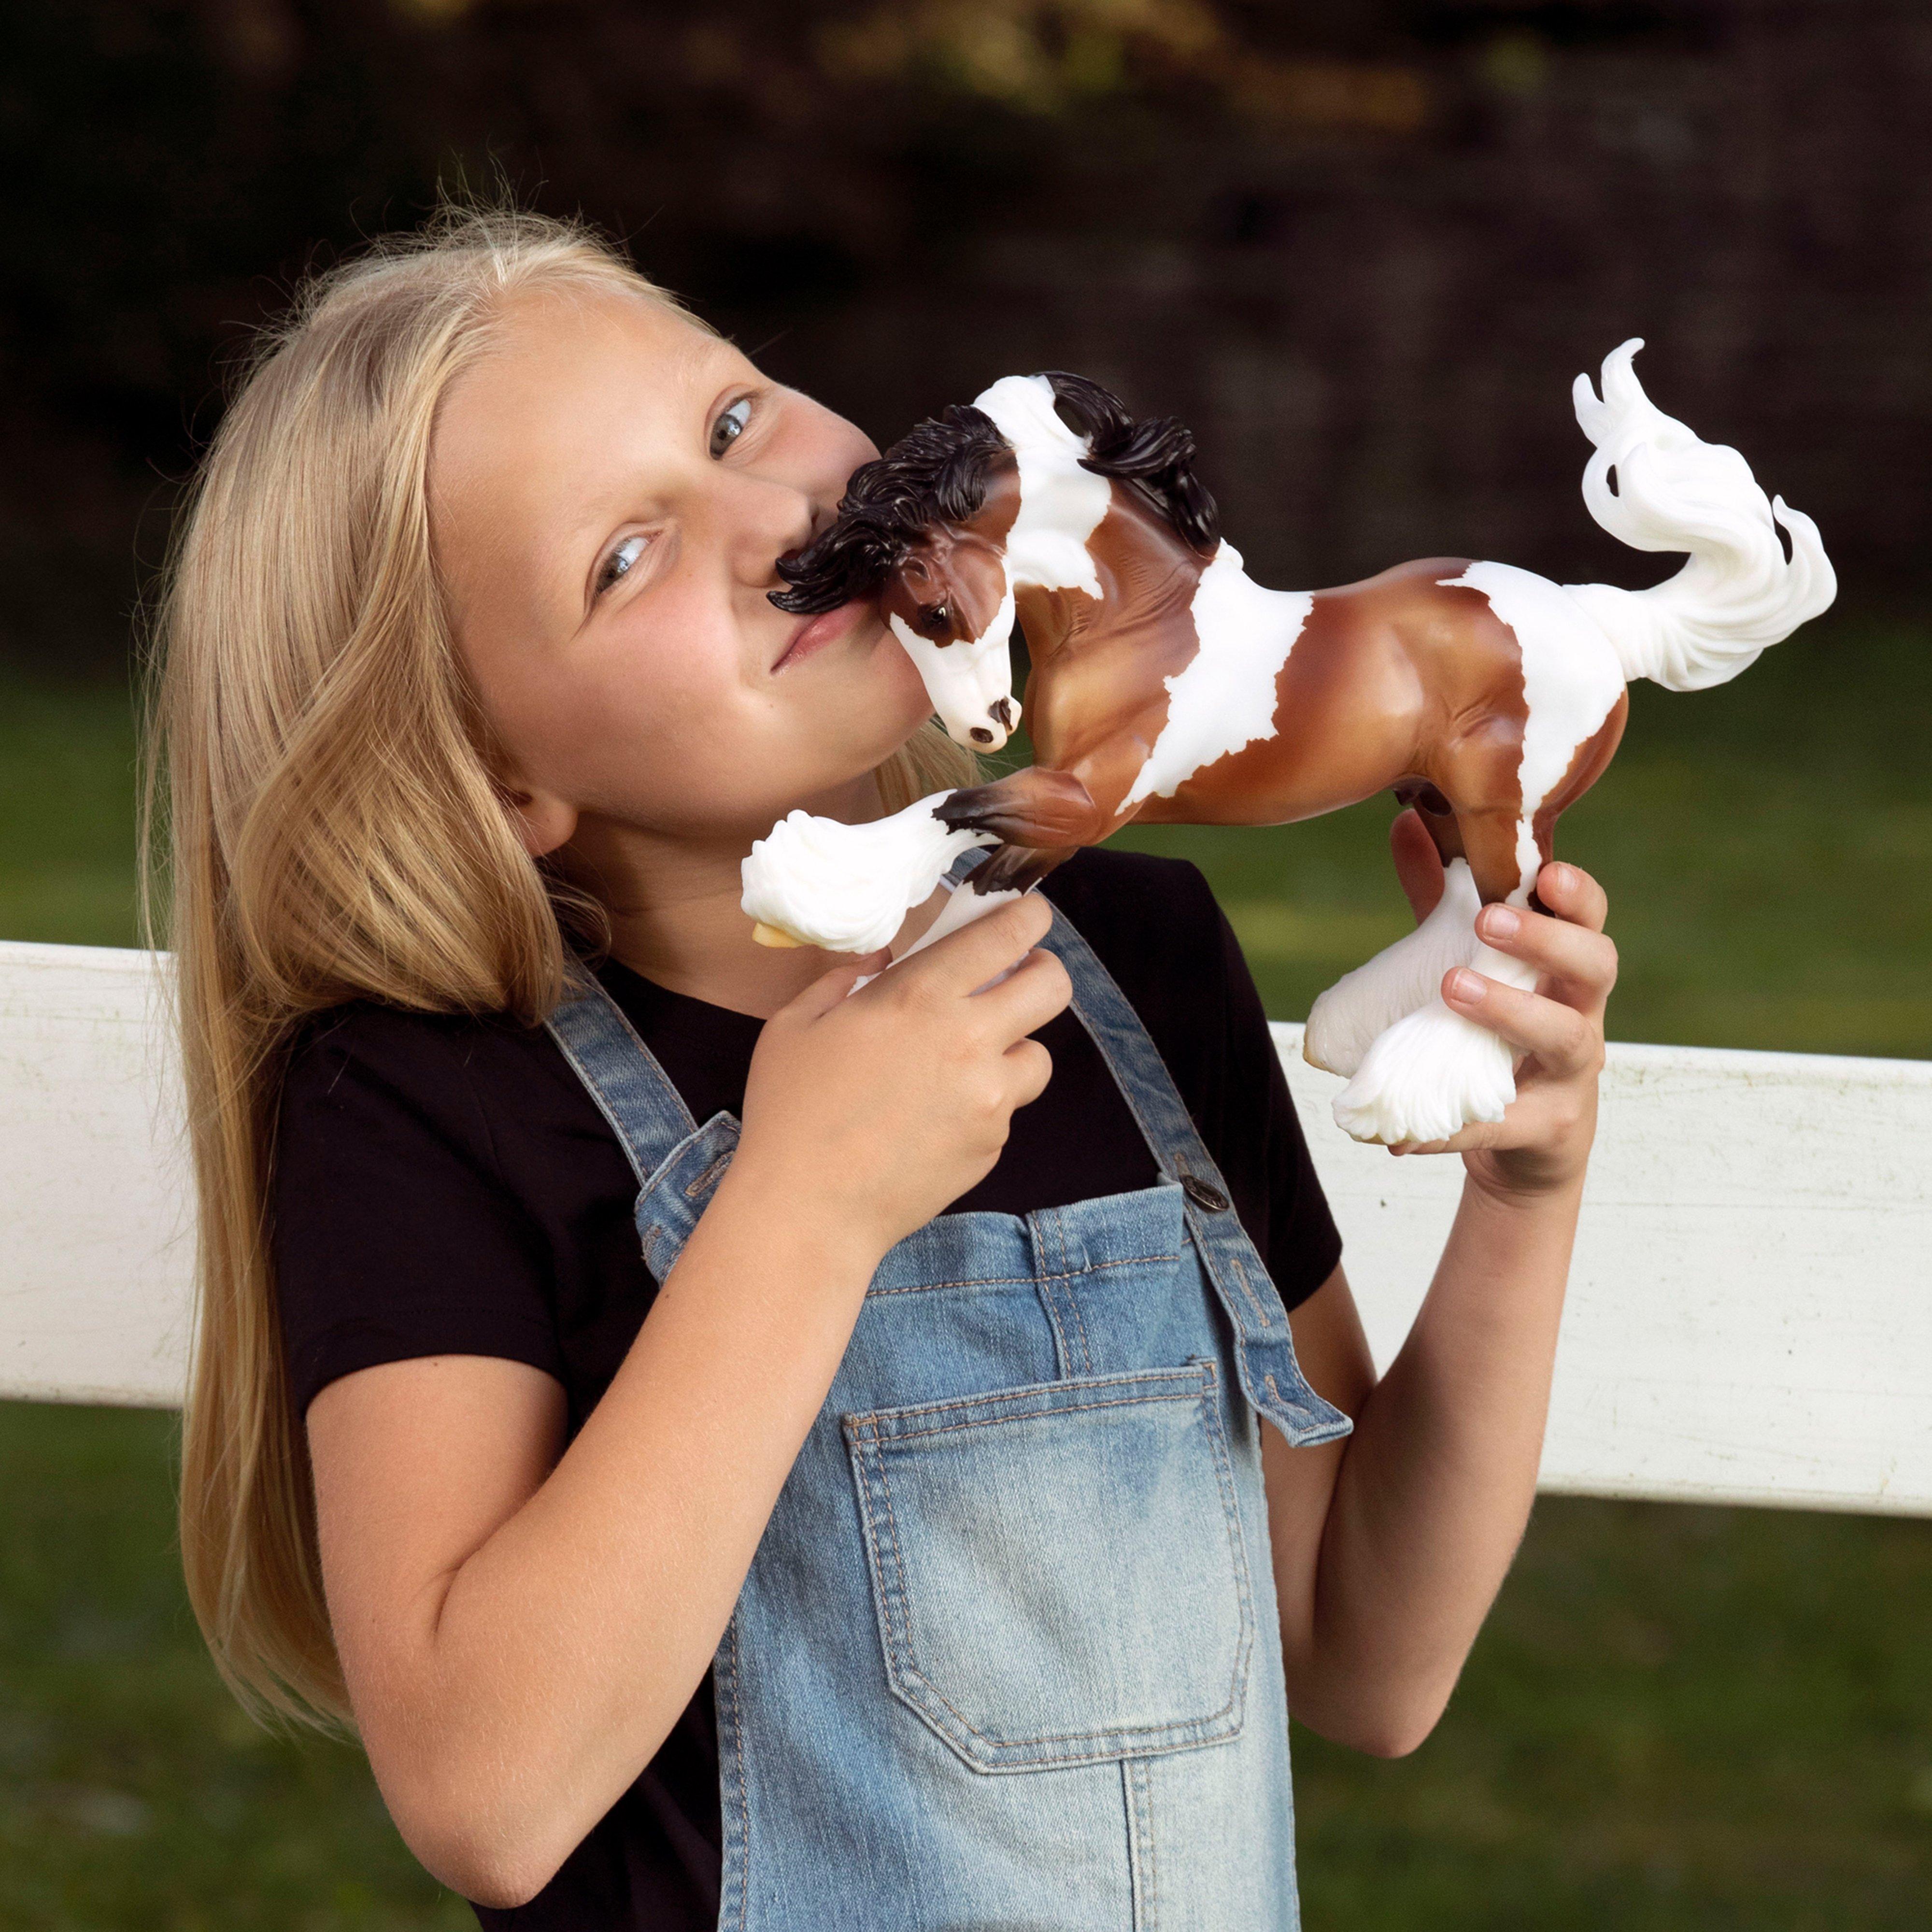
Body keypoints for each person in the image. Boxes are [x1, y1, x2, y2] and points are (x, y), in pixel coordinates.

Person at [149, 206, 1617, 1930]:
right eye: (623, 558)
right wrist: (804, 1208)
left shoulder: (1138, 968)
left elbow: (1367, 1661)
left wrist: (1526, 1196)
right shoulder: (424, 1101)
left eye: (734, 420)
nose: (776, 522)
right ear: (499, 784)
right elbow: (490, 1796)